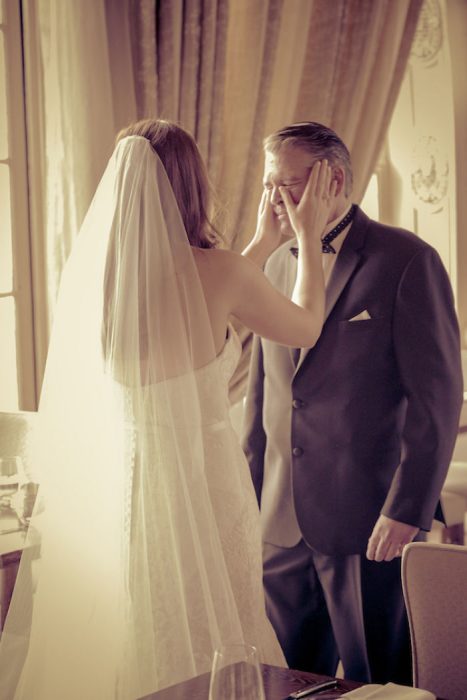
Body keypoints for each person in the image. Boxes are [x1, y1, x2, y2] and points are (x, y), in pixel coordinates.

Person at [0, 119, 335, 699]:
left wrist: (259, 243)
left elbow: (194, 301)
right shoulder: (218, 272)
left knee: (137, 626)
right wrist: (305, 238)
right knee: (216, 627)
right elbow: (304, 326)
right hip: (203, 486)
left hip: (125, 487)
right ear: (191, 186)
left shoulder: (101, 284)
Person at [242, 121, 464, 685]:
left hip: (368, 521)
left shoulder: (406, 259)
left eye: (287, 186)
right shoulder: (270, 263)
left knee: (378, 681)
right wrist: (246, 502)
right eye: (268, 185)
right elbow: (263, 396)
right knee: (285, 681)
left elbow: (436, 399)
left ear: (333, 180)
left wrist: (407, 508)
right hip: (280, 521)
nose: (274, 200)